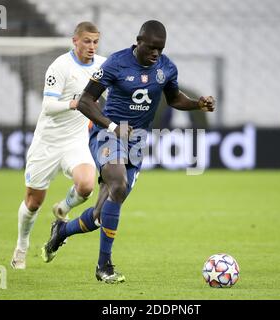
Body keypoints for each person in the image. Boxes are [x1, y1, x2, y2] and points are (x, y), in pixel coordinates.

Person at [41, 20, 215, 283]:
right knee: (118, 185)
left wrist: (197, 104)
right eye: (152, 47)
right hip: (108, 134)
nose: (156, 53)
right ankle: (104, 267)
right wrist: (112, 126)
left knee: (101, 215)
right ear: (138, 41)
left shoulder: (166, 67)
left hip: (137, 141)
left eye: (161, 48)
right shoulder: (116, 63)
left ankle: (62, 231)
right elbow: (86, 101)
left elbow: (175, 98)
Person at [10, 21, 108, 269]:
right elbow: (48, 107)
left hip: (76, 140)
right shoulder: (60, 67)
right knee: (33, 202)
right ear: (75, 41)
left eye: (95, 42)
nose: (91, 47)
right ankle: (22, 245)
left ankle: (63, 209)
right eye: (87, 41)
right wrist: (76, 104)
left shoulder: (102, 65)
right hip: (47, 143)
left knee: (86, 185)